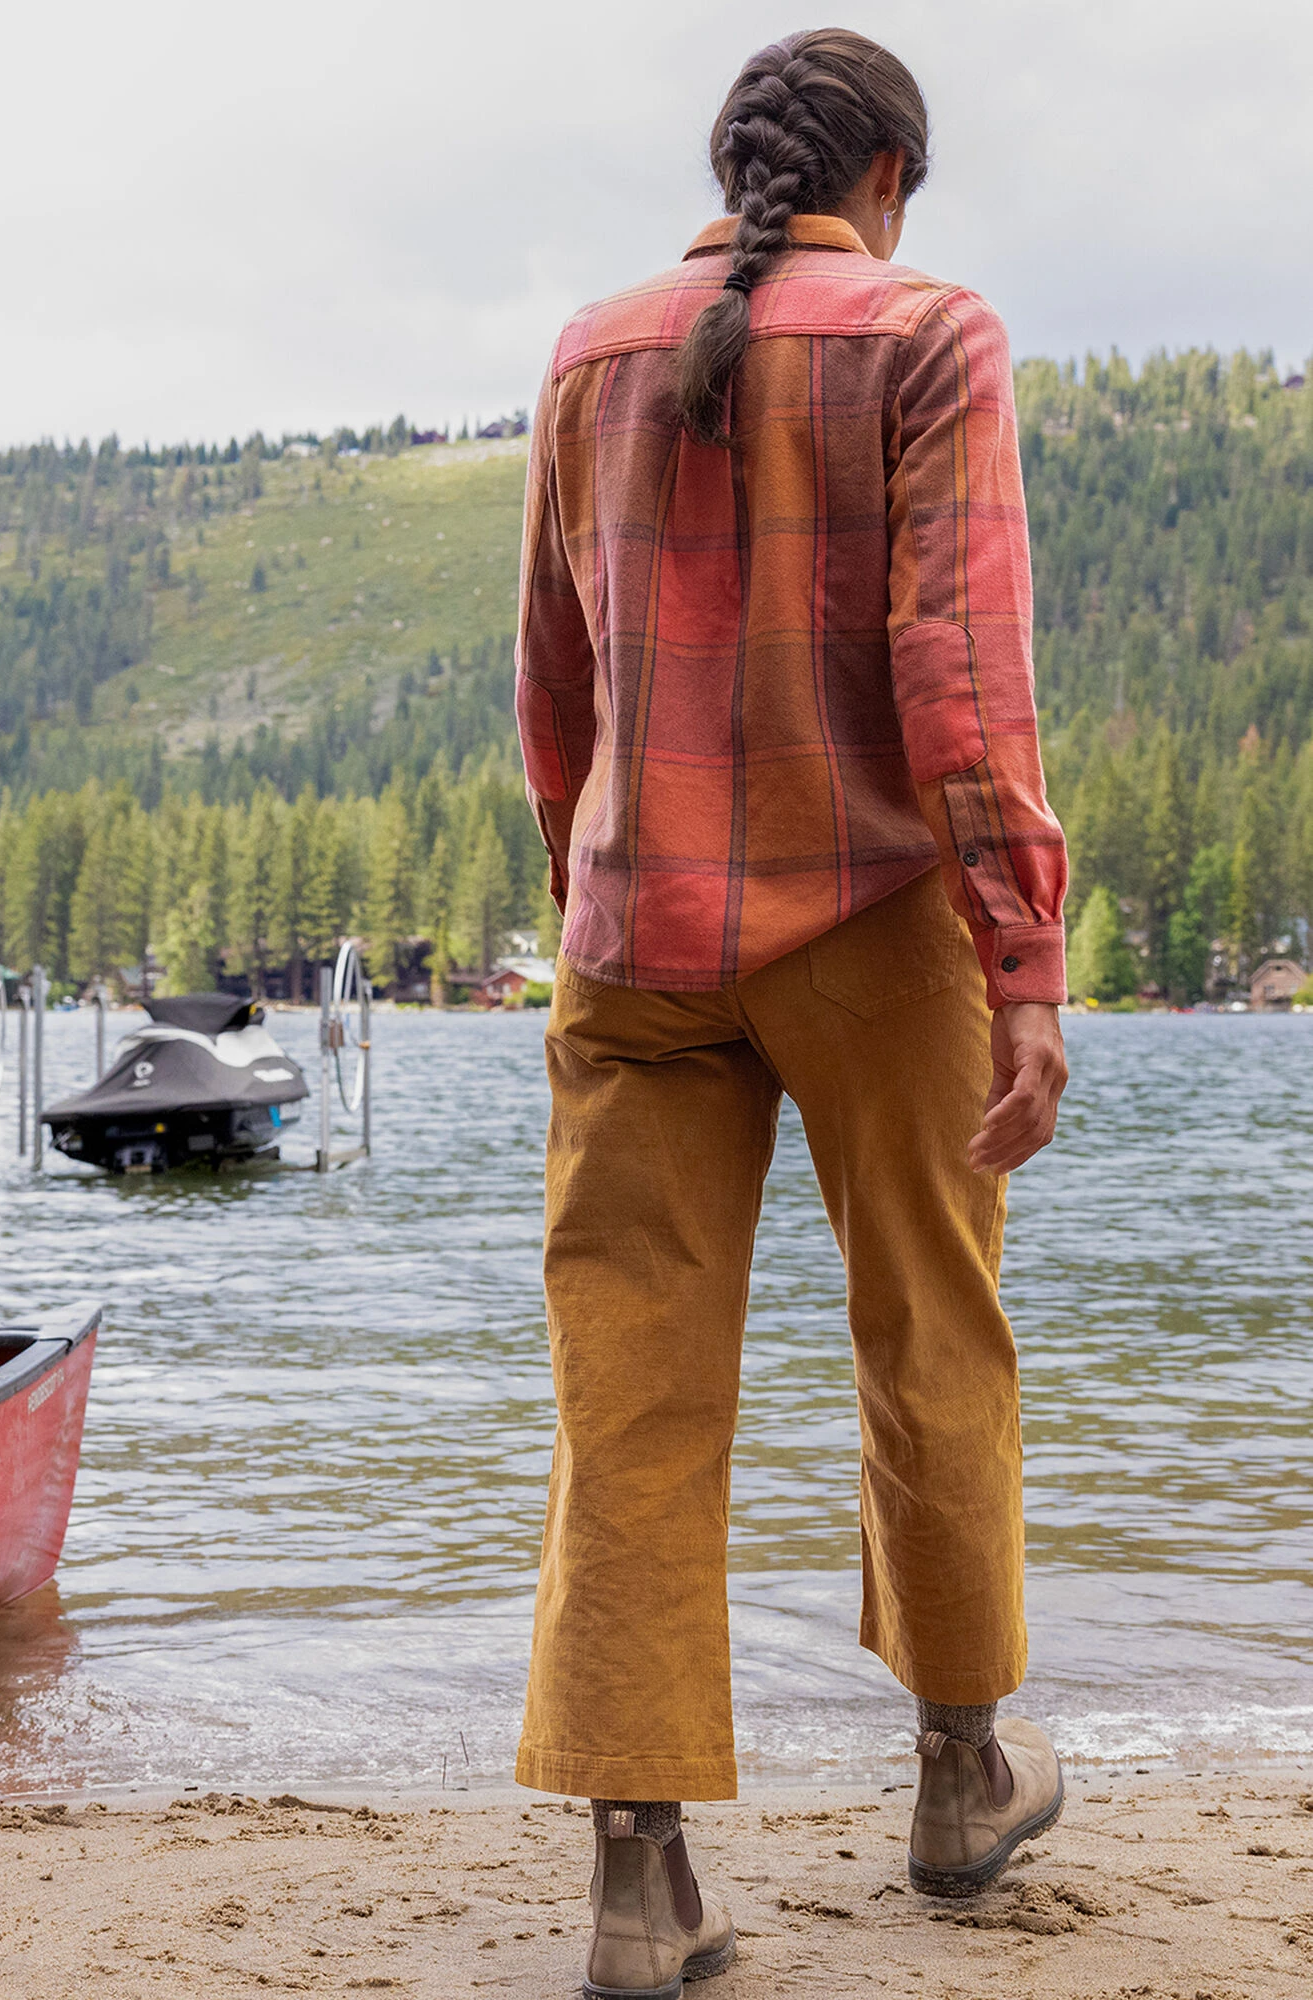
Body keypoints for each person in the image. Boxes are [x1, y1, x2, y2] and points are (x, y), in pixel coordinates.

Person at [511, 27, 1071, 1998]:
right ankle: (961, 1776)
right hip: (875, 915)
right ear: (890, 176)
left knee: (630, 1391)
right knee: (931, 1329)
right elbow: (960, 678)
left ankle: (639, 1881)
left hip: (634, 932)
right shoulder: (928, 333)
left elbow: (554, 689)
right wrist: (1023, 959)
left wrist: (594, 888)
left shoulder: (589, 354)